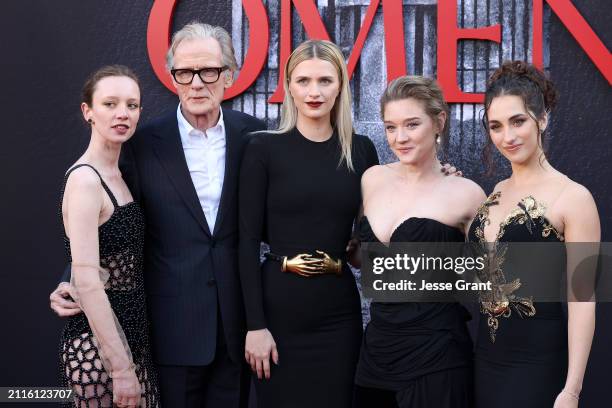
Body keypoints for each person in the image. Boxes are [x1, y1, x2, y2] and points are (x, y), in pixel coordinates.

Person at [51, 22, 265, 407]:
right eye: (185, 72)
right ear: (172, 78)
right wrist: (71, 279)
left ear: (229, 76)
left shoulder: (254, 135)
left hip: (237, 332)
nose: (196, 83)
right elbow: (118, 225)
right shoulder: (143, 143)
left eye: (209, 71)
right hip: (168, 330)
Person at [237, 39, 379, 408]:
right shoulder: (262, 148)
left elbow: (373, 232)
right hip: (276, 313)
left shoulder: (361, 150)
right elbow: (247, 241)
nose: (314, 92)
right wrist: (254, 326)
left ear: (340, 87)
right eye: (303, 81)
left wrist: (443, 178)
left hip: (338, 314)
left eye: (325, 81)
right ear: (288, 87)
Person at [468, 61, 599, 407]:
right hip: (483, 361)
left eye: (518, 121)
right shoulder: (494, 192)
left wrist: (571, 391)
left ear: (542, 119)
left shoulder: (573, 197)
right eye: (496, 126)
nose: (507, 137)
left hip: (538, 367)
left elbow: (583, 300)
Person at [352, 76, 486, 408]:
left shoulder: (467, 194)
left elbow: (487, 282)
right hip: (376, 355)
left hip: (437, 357)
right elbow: (366, 260)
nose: (400, 138)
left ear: (438, 121)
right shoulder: (372, 179)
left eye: (412, 124)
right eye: (390, 127)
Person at [59, 65, 160, 408]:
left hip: (132, 336)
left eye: (132, 105)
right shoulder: (86, 180)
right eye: (110, 104)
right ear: (88, 111)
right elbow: (86, 281)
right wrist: (120, 368)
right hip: (98, 348)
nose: (122, 114)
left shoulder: (121, 172)